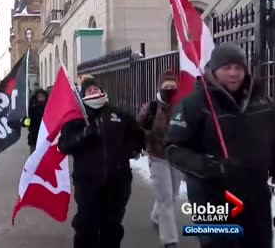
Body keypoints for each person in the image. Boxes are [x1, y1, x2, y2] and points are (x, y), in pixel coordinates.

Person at [165, 42, 275, 248]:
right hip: (211, 201)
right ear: (214, 70)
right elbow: (173, 150)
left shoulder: (263, 102)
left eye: (238, 67)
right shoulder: (194, 104)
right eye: (227, 68)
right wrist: (211, 165)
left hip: (256, 200)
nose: (234, 73)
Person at [58, 75, 145, 248]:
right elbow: (64, 145)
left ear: (102, 90)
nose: (93, 91)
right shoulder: (77, 117)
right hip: (87, 182)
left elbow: (137, 136)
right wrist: (83, 134)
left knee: (112, 226)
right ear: (83, 94)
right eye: (89, 90)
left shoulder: (118, 113)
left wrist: (128, 150)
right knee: (86, 226)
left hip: (117, 182)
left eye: (96, 88)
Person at [137, 71, 183, 248]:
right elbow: (139, 128)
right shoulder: (152, 107)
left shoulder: (182, 105)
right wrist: (154, 138)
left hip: (177, 157)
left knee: (173, 195)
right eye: (166, 86)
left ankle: (157, 216)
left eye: (173, 86)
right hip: (157, 157)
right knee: (165, 198)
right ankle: (169, 240)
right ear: (159, 87)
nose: (170, 89)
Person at [23, 88, 48, 154]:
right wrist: (25, 122)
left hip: (45, 138)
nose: (41, 99)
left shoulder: (48, 106)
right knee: (33, 158)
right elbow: (24, 119)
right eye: (39, 97)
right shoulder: (31, 106)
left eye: (43, 97)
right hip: (34, 137)